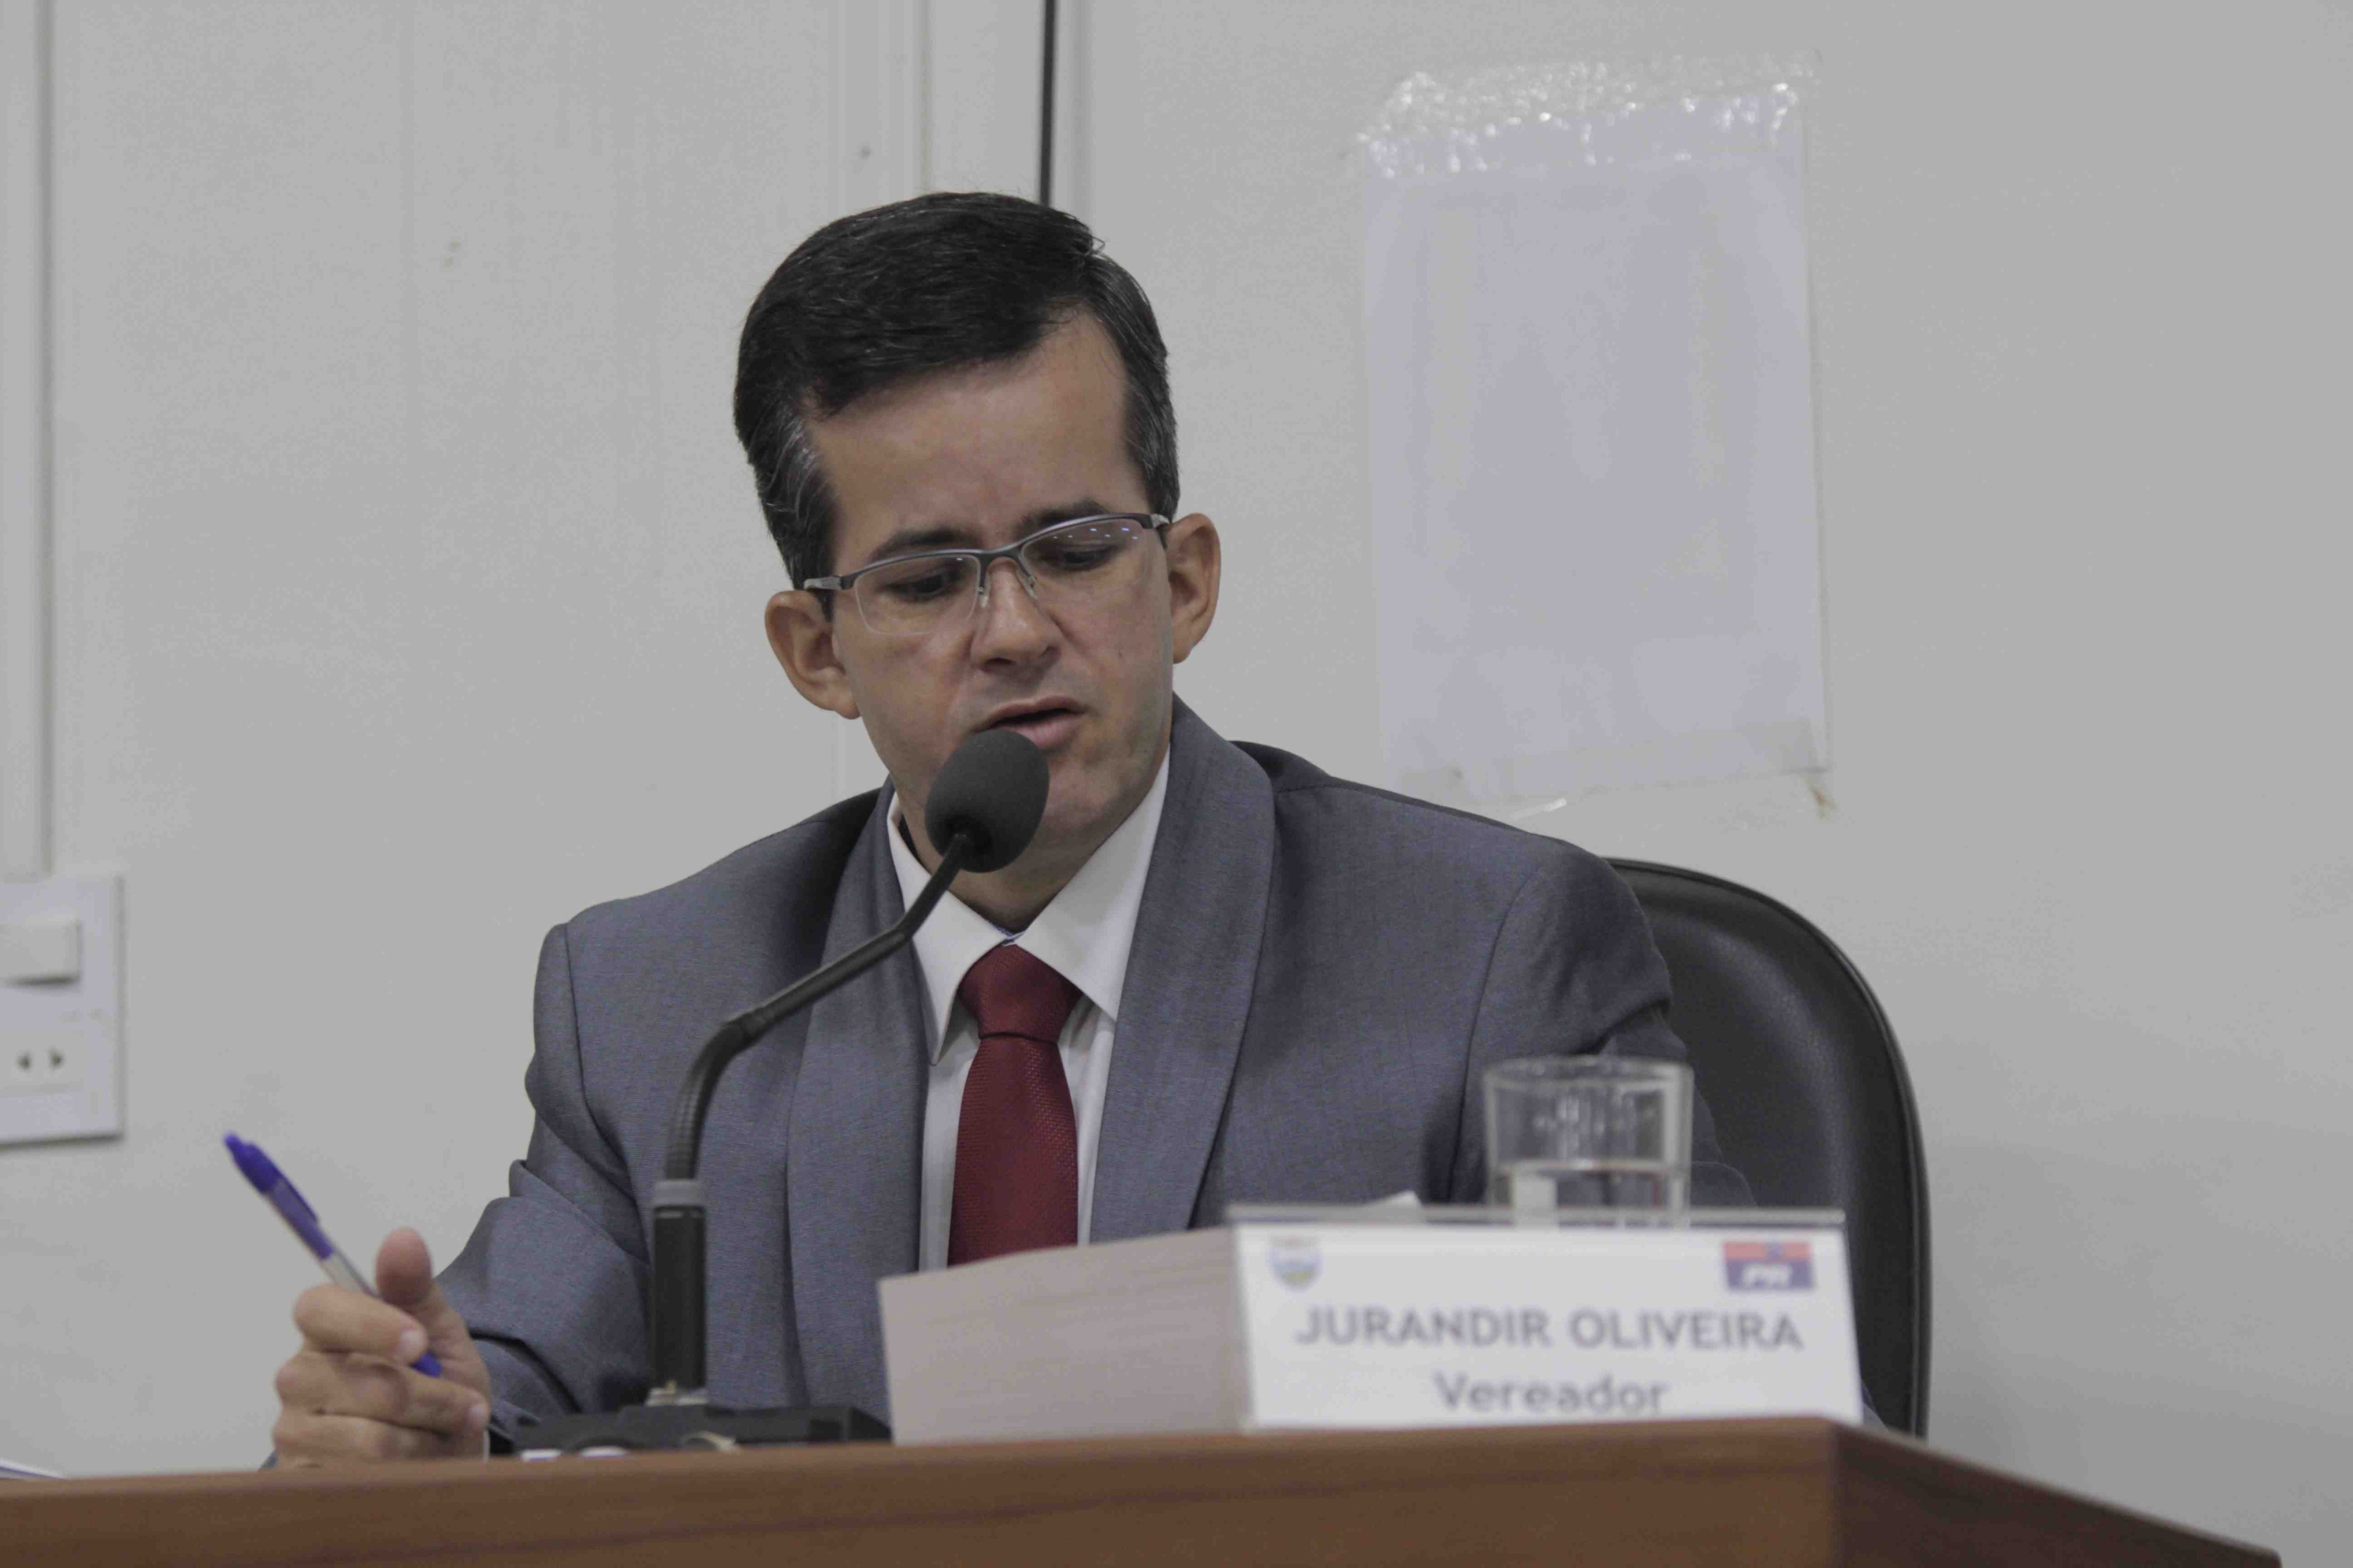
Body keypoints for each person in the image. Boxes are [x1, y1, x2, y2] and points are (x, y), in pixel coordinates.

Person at [267, 193, 1751, 1464]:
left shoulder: (1481, 951)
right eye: (926, 582)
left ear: (1182, 582)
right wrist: (409, 1438)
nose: (1015, 631)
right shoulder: (666, 1009)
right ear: (816, 653)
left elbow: (1738, 1442)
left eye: (1074, 550)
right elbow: (488, 1405)